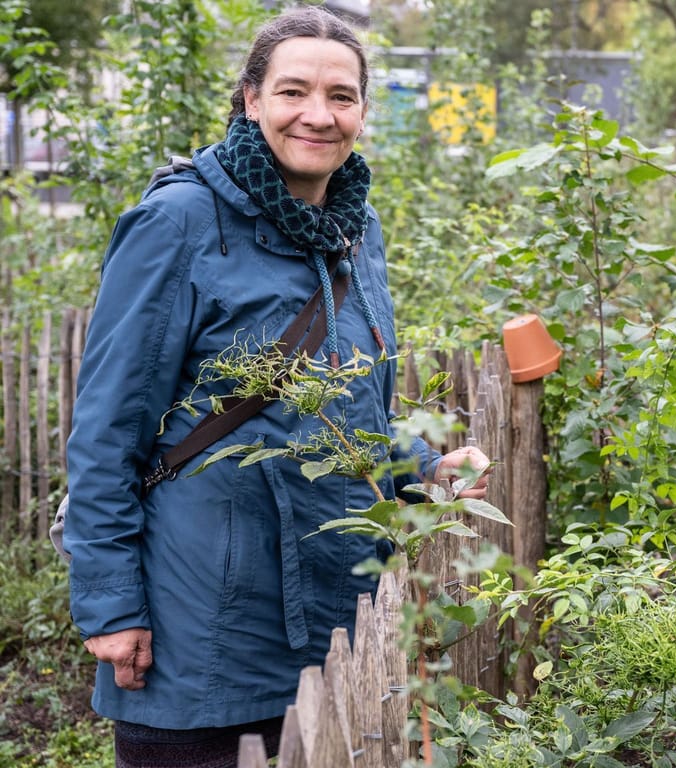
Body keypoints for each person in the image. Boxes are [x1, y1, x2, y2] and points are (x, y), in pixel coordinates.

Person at [64, 8, 488, 767]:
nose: (318, 116)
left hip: (336, 612)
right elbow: (106, 432)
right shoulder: (179, 222)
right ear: (250, 98)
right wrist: (110, 605)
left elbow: (343, 407)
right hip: (203, 628)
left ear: (363, 111)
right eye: (293, 91)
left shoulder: (358, 228)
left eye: (342, 96)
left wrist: (419, 469)